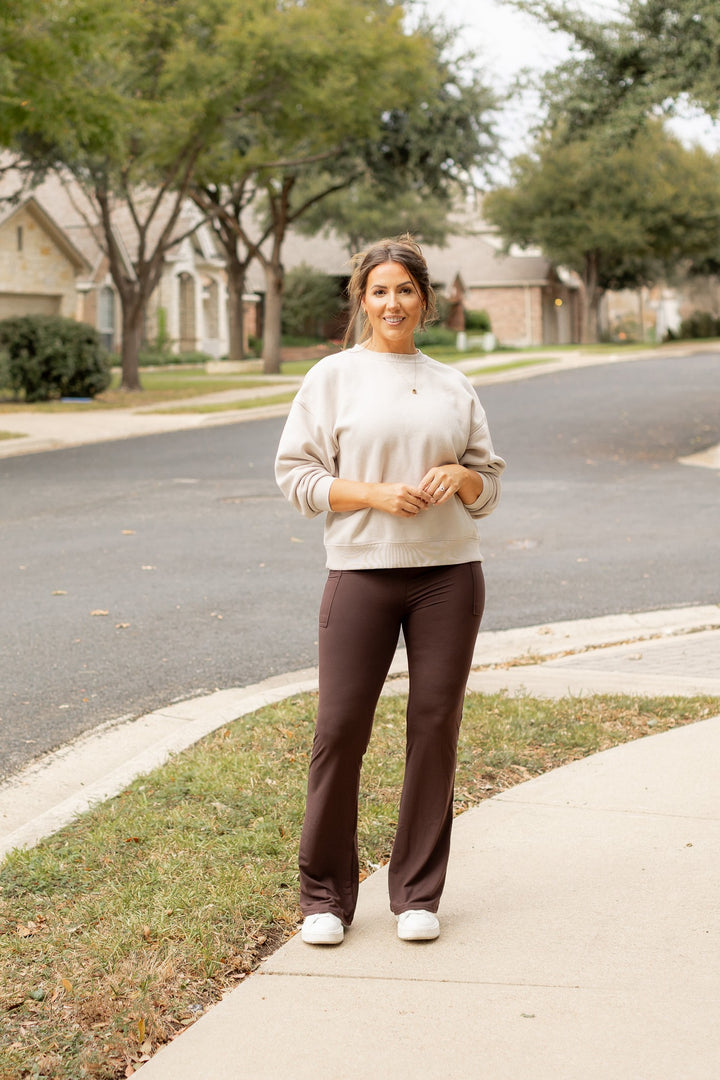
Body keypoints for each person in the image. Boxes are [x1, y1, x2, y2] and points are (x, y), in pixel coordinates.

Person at [275, 235, 505, 945]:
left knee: (434, 731)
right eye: (380, 290)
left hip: (448, 576)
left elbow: (488, 483)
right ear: (362, 300)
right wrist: (372, 493)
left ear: (425, 301)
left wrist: (460, 479)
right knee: (340, 729)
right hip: (360, 573)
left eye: (406, 289)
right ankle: (324, 898)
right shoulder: (331, 378)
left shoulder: (452, 384)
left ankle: (416, 893)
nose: (393, 302)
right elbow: (296, 476)